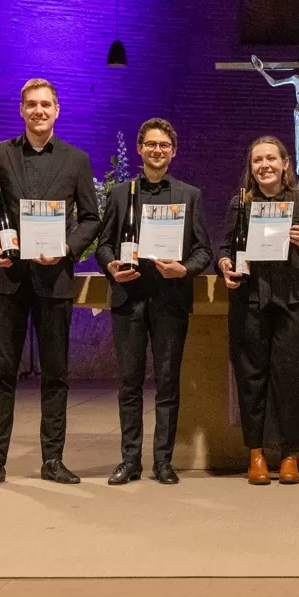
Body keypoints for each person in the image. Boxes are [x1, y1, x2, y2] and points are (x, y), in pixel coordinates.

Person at [0, 78, 100, 489]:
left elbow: (91, 219)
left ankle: (53, 460)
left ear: (57, 110)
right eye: (31, 104)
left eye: (46, 104)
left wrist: (66, 247)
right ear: (21, 110)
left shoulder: (76, 160)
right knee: (3, 371)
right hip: (8, 277)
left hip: (54, 278)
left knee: (56, 374)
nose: (39, 111)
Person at [95, 118, 212, 486]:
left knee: (167, 383)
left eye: (164, 145)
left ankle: (163, 462)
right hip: (129, 298)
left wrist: (184, 269)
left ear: (173, 151)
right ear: (140, 149)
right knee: (129, 384)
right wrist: (110, 266)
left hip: (170, 300)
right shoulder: (119, 194)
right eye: (151, 144)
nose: (157, 150)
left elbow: (203, 251)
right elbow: (104, 245)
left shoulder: (188, 195)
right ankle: (130, 460)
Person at [217, 136, 299, 485]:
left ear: (286, 164)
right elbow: (223, 248)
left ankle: (289, 455)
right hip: (250, 302)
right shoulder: (240, 204)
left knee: (291, 379)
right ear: (251, 168)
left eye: (271, 158)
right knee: (251, 379)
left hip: (293, 303)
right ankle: (255, 454)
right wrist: (224, 264)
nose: (264, 165)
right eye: (257, 160)